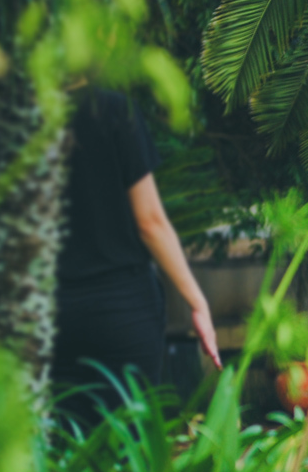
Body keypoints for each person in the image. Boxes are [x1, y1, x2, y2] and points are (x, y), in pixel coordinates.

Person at [54, 89, 221, 423]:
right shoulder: (115, 109)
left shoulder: (28, 115)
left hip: (56, 311)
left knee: (66, 453)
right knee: (130, 447)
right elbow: (150, 222)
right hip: (122, 311)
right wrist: (197, 302)